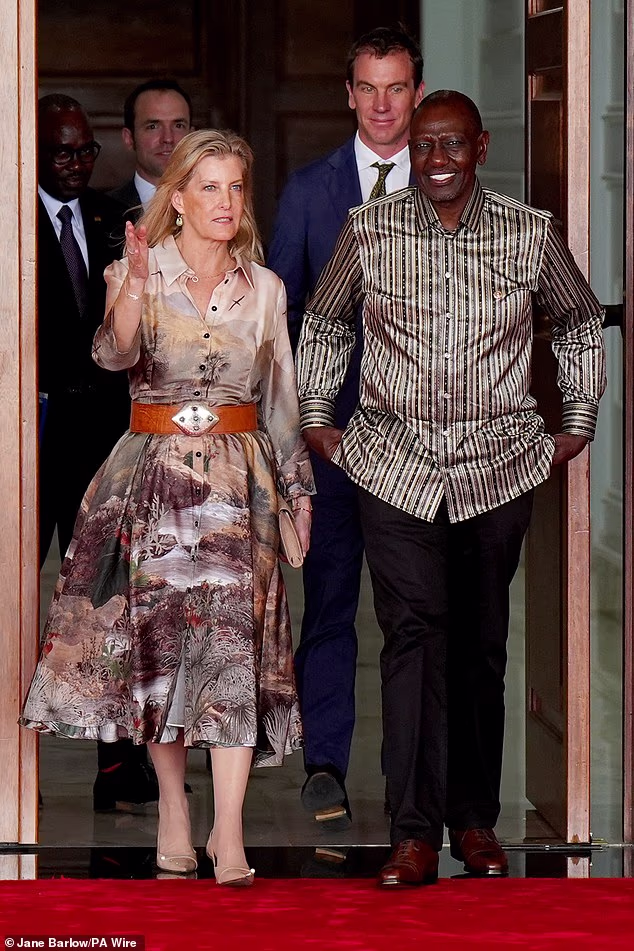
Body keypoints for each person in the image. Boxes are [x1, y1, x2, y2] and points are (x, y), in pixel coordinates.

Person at [295, 90, 606, 886]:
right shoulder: (370, 229)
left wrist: (576, 414)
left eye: (451, 146)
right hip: (392, 465)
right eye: (424, 147)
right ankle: (410, 831)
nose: (436, 161)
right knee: (412, 637)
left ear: (480, 147)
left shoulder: (528, 232)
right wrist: (320, 415)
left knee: (479, 642)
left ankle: (472, 820)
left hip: (498, 465)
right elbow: (326, 321)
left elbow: (574, 319)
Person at [22, 128, 314, 884]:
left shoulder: (268, 289)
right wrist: (130, 291)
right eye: (209, 187)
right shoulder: (135, 270)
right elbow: (113, 356)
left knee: (233, 656)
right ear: (176, 197)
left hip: (239, 488)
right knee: (163, 661)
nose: (225, 201)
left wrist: (298, 494)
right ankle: (177, 815)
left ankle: (231, 832)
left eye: (236, 187)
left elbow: (281, 400)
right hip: (156, 485)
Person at [267, 24, 424, 829]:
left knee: (412, 613)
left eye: (395, 87)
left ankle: (408, 777)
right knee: (328, 603)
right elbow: (281, 319)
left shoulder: (445, 183)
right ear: (348, 94)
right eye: (367, 87)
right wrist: (294, 434)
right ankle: (325, 764)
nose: (382, 104)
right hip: (329, 445)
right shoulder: (309, 189)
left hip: (420, 447)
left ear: (416, 94)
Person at [37, 94, 157, 813]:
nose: (78, 163)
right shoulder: (12, 219)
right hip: (35, 438)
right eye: (62, 152)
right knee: (22, 598)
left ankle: (116, 760)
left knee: (107, 603)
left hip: (103, 442)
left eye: (85, 151)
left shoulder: (117, 221)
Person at [108, 79, 193, 221]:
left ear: (191, 135)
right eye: (153, 126)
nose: (168, 138)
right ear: (129, 138)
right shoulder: (106, 209)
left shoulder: (214, 204)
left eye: (178, 125)